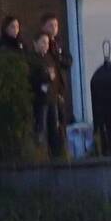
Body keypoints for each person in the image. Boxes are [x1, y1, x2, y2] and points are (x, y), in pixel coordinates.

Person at [39, 12, 72, 155]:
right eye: (50, 25)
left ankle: (61, 151)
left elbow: (68, 61)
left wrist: (59, 57)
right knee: (49, 122)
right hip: (48, 91)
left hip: (60, 88)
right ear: (44, 27)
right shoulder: (42, 43)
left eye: (56, 25)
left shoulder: (59, 43)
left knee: (61, 120)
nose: (54, 28)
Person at [28, 33, 61, 156]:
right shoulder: (31, 59)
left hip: (51, 99)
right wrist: (46, 76)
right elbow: (32, 78)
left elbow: (55, 76)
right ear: (35, 43)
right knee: (41, 128)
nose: (46, 45)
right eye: (43, 42)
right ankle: (40, 155)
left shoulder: (49, 58)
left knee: (54, 128)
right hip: (40, 100)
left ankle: (55, 154)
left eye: (47, 43)